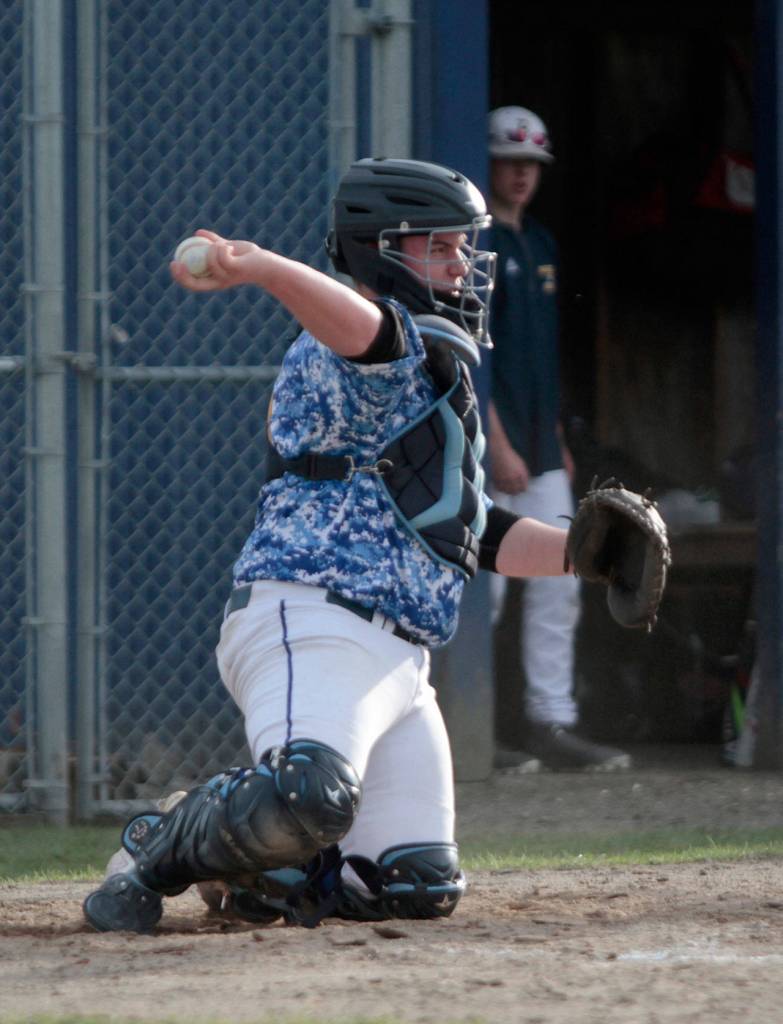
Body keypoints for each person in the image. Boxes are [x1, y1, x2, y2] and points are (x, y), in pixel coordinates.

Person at [83, 157, 578, 935]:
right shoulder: (360, 341)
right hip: (311, 623)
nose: (459, 265)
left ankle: (261, 872)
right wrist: (261, 266)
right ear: (379, 252)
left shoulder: (428, 372)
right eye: (437, 247)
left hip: (400, 663)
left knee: (412, 888)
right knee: (308, 795)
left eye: (462, 248)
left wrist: (589, 554)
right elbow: (366, 328)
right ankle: (157, 849)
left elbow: (469, 526)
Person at [486, 106, 631, 772]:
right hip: (489, 451)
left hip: (541, 450)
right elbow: (469, 359)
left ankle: (550, 723)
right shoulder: (471, 244)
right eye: (509, 162)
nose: (521, 175)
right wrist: (499, 443)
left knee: (559, 581)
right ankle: (473, 728)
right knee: (479, 592)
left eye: (531, 165)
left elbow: (539, 357)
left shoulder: (539, 243)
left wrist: (549, 440)